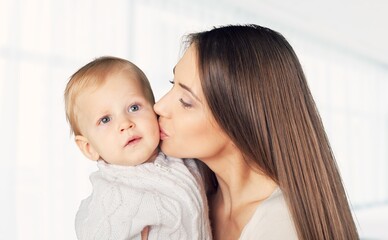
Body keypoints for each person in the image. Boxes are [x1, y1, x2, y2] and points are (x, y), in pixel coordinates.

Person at [153, 24, 359, 239]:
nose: (159, 106)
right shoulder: (188, 194)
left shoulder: (277, 227)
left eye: (186, 102)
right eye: (172, 84)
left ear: (239, 117)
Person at [64, 56, 211, 240]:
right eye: (105, 119)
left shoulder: (182, 156)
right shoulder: (111, 201)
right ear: (89, 147)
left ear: (154, 109)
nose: (125, 124)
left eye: (134, 107)